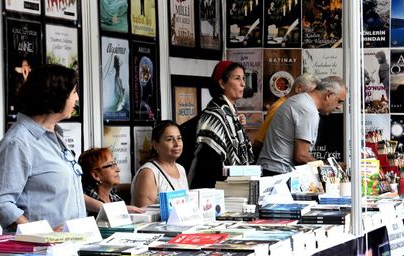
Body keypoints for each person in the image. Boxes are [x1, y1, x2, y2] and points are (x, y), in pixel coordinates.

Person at [0, 64, 86, 231]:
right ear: (57, 95)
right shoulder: (18, 142)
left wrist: (107, 209)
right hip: (41, 251)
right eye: (74, 92)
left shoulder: (56, 135)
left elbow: (65, 191)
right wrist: (41, 235)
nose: (77, 98)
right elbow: (0, 202)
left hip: (72, 245)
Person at [257, 76, 347, 176]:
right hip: (279, 173)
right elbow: (301, 156)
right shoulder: (308, 110)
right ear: (328, 95)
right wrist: (330, 167)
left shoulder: (300, 100)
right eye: (339, 101)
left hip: (271, 169)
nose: (339, 107)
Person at [189, 61, 254, 189]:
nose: (243, 83)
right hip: (214, 188)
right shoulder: (214, 114)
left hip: (230, 187)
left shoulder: (230, 112)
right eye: (237, 78)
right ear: (222, 83)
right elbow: (210, 159)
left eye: (243, 78)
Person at [252, 73, 320, 157]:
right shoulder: (279, 107)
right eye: (309, 95)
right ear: (298, 88)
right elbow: (259, 142)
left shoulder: (296, 107)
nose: (311, 100)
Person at [131, 120, 189, 207]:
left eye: (179, 138)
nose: (177, 144)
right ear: (155, 145)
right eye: (170, 139)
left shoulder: (181, 169)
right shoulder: (148, 173)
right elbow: (143, 215)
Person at [78, 147, 143, 216]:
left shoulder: (114, 197)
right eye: (111, 165)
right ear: (96, 175)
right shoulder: (82, 203)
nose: (118, 169)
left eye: (115, 164)